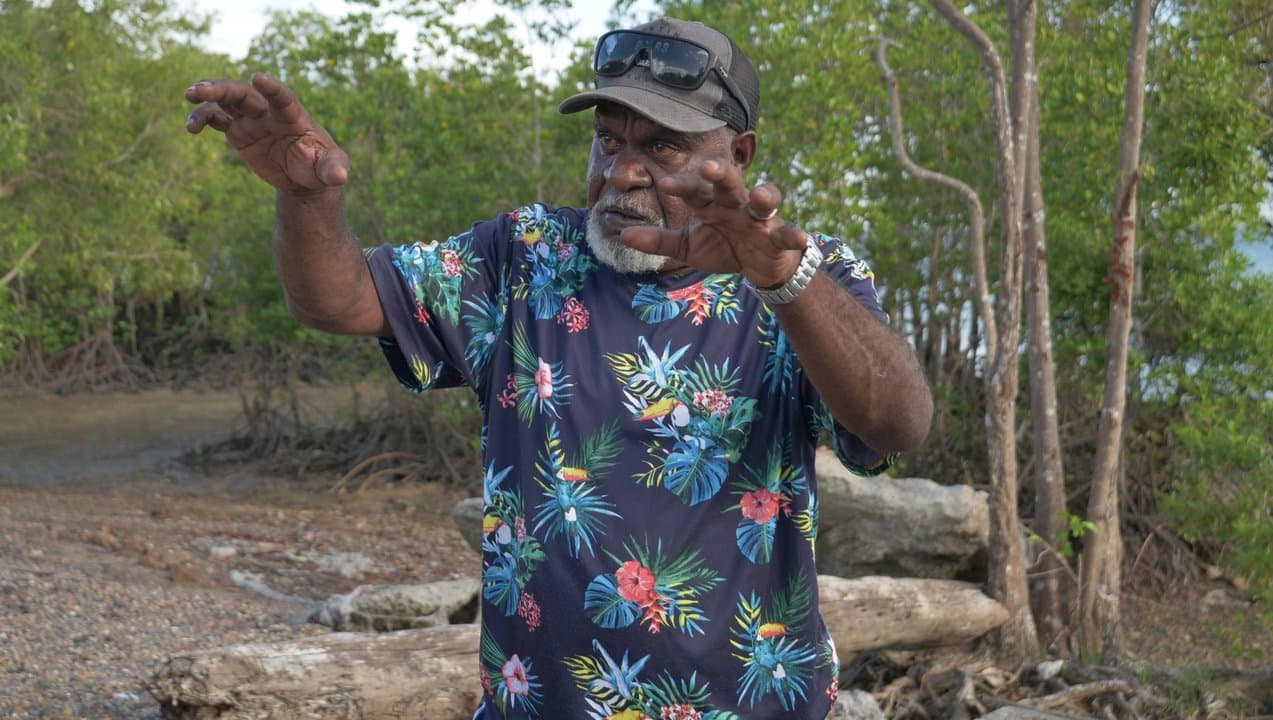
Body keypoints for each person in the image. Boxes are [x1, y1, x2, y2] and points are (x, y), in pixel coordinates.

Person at [185, 16, 931, 720]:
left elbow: (897, 425)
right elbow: (338, 301)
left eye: (663, 149)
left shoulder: (805, 277)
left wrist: (783, 282)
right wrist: (307, 198)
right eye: (607, 141)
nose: (621, 173)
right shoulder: (526, 256)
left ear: (738, 154)